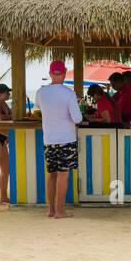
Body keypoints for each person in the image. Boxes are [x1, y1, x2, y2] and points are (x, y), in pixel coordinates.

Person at [35, 61, 82, 218]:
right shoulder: (69, 94)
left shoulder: (41, 93)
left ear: (50, 73)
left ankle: (51, 210)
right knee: (63, 175)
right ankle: (60, 211)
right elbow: (77, 119)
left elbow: (39, 109)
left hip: (49, 139)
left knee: (52, 174)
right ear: (65, 72)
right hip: (66, 139)